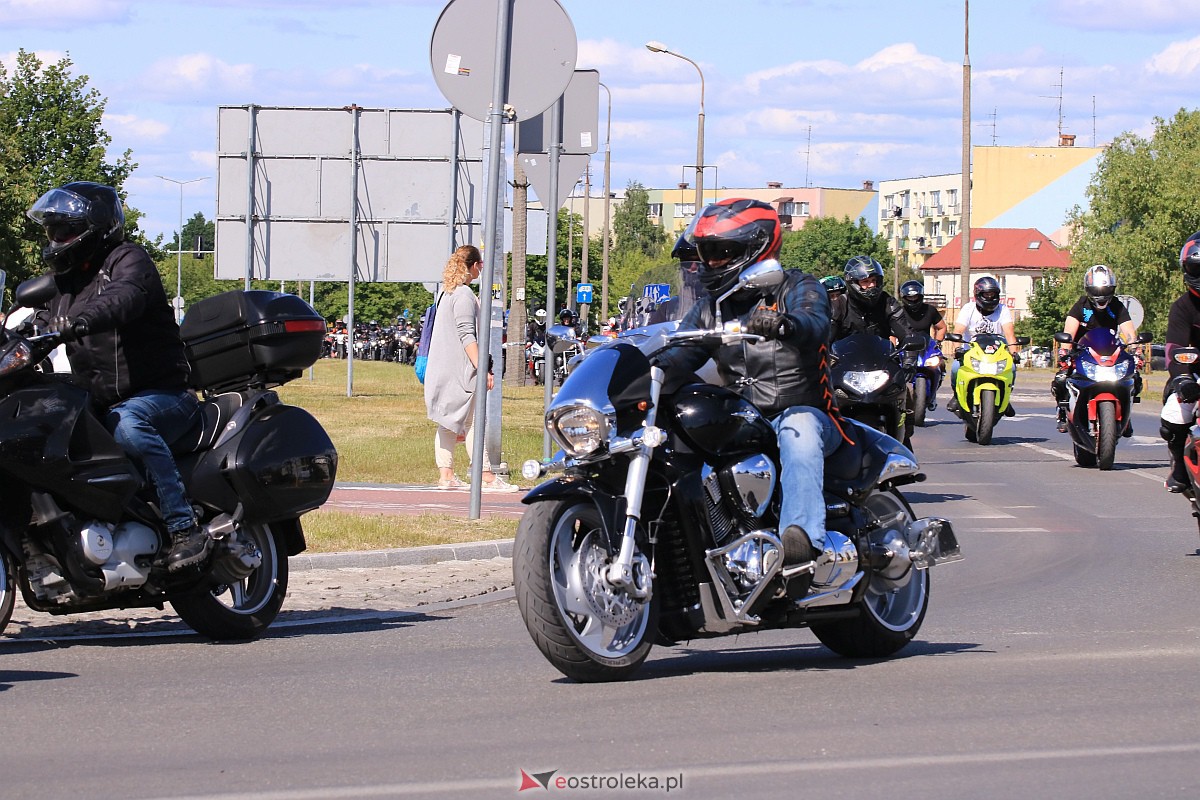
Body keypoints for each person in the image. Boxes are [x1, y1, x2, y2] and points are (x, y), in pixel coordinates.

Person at [652, 198, 853, 590]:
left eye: (722, 251)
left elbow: (815, 322)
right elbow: (680, 353)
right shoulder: (710, 308)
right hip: (745, 420)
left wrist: (786, 324)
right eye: (707, 252)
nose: (712, 262)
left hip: (804, 411)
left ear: (755, 248)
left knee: (798, 431)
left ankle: (801, 547)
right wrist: (642, 370)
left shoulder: (797, 286)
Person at [25, 181, 208, 571]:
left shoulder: (128, 260)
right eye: (53, 230)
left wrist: (81, 320)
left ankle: (183, 526)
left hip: (161, 394)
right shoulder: (64, 283)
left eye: (66, 230)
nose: (57, 239)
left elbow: (124, 297)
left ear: (97, 227)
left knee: (127, 426)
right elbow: (37, 321)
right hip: (100, 400)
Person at [424, 245, 517, 493]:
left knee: (447, 421)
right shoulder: (463, 294)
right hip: (460, 371)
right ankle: (486, 475)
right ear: (474, 265)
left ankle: (446, 476)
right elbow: (467, 336)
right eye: (480, 265)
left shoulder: (446, 292)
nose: (481, 270)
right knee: (474, 423)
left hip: (442, 367)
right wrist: (483, 368)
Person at [1052, 264, 1141, 433]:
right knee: (1061, 379)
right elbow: (1069, 331)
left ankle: (1126, 415)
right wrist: (1065, 353)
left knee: (1135, 378)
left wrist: (1136, 350)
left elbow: (1129, 333)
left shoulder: (1117, 306)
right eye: (1096, 291)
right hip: (1082, 353)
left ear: (1112, 289)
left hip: (1111, 353)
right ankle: (1063, 413)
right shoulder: (1081, 306)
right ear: (1088, 289)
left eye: (1105, 291)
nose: (1101, 296)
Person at [1160, 232, 1200, 492]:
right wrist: (1183, 378)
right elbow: (1174, 349)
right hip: (1196, 375)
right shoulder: (1183, 307)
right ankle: (1180, 468)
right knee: (1175, 412)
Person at [949, 275, 1020, 415]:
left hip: (997, 353)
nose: (990, 297)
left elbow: (1009, 333)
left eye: (992, 294)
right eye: (986, 294)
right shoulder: (968, 309)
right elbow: (958, 331)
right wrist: (957, 349)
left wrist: (1014, 353)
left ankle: (1005, 398)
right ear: (978, 294)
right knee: (956, 367)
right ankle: (957, 395)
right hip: (971, 352)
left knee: (1011, 368)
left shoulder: (1003, 309)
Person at [893, 280, 947, 412]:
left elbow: (941, 327)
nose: (913, 300)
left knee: (940, 364)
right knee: (892, 368)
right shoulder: (898, 312)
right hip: (904, 347)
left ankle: (933, 393)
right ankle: (895, 398)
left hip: (926, 347)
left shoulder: (930, 310)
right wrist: (893, 346)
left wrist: (937, 342)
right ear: (904, 297)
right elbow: (891, 332)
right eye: (909, 297)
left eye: (915, 297)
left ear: (921, 296)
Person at [829, 255, 903, 342]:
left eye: (873, 280)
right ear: (853, 283)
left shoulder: (887, 302)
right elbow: (825, 334)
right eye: (865, 281)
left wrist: (910, 341)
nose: (872, 285)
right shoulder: (839, 306)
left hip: (879, 350)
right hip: (847, 350)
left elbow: (904, 327)